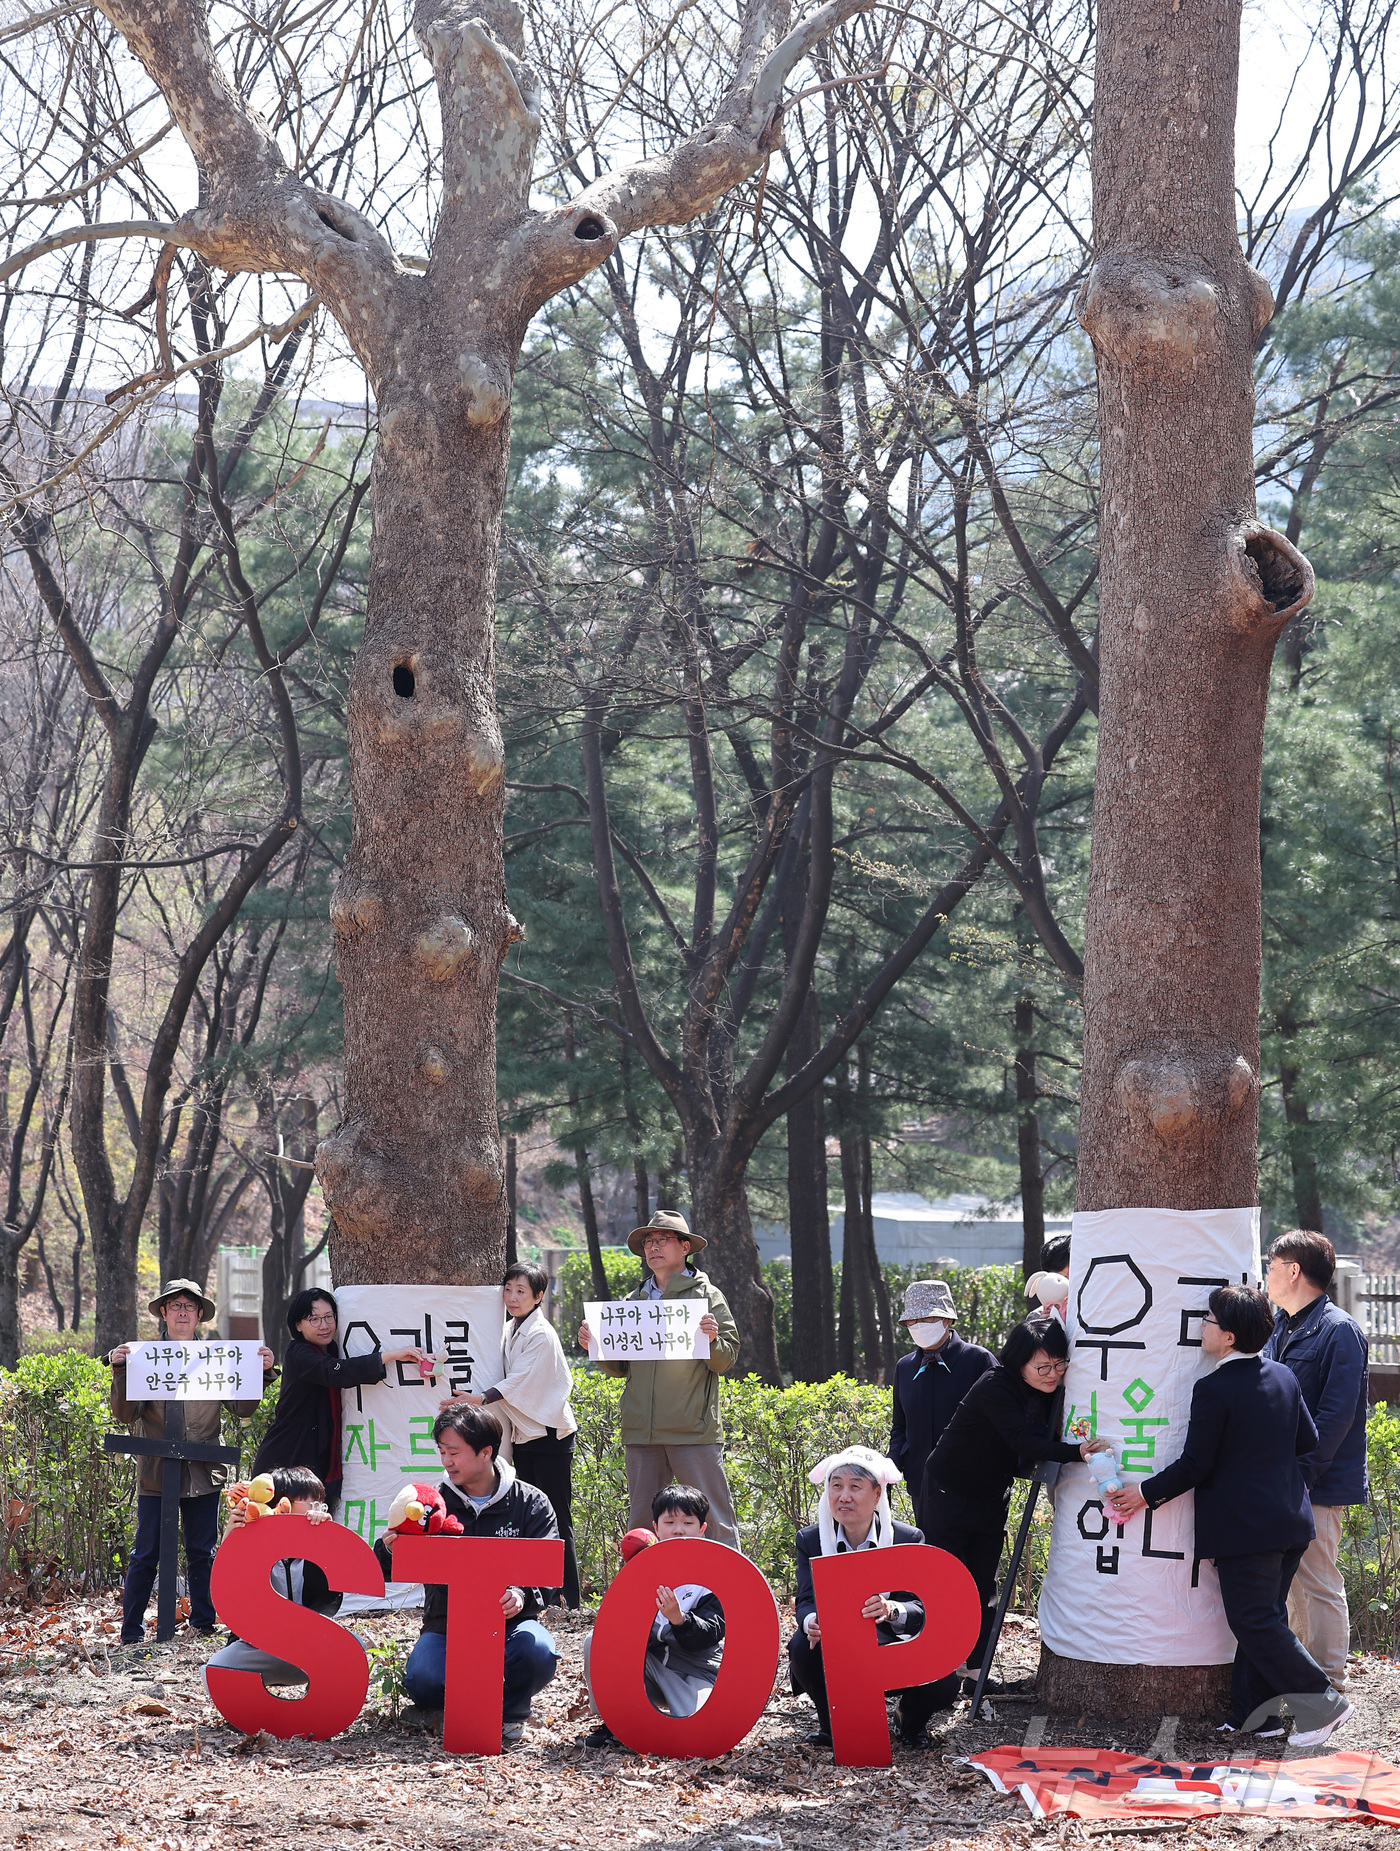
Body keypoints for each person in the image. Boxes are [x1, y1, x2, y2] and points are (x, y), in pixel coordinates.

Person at [1109, 1284, 1352, 1748]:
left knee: (1254, 1620)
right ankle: (1257, 1717)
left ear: (1228, 1337)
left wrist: (1143, 1492)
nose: (1202, 1328)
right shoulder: (1282, 1376)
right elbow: (1308, 1438)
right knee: (1263, 1618)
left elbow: (1196, 1465)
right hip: (1289, 1519)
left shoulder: (1214, 1387)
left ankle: (1323, 1705)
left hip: (1248, 1527)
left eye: (1209, 1322)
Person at [919, 1313, 1108, 1691]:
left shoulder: (1046, 1390)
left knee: (983, 1584)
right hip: (948, 1493)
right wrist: (1077, 1452)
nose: (1052, 1374)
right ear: (1018, 1362)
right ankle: (932, 1673)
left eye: (1059, 1364)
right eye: (1042, 1366)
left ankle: (975, 1674)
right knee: (944, 1582)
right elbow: (1023, 1441)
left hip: (991, 1495)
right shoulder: (996, 1386)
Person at [378, 1404, 560, 1744]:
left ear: (486, 1452)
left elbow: (549, 1569)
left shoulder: (531, 1503)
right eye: (442, 1452)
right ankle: (449, 1710)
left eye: (454, 1452)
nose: (446, 1461)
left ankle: (510, 1712)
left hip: (511, 1624)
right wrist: (391, 1548)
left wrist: (521, 1594)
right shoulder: (431, 1505)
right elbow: (387, 1567)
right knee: (422, 1678)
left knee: (538, 1651)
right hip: (446, 1624)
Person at [109, 1278, 275, 1650]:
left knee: (203, 1550)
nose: (182, 1312)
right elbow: (125, 1415)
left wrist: (261, 1372)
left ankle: (203, 1622)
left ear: (199, 1315)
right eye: (175, 1306)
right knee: (145, 1553)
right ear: (164, 1314)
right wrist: (119, 1371)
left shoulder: (219, 1358)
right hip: (156, 1473)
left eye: (189, 1306)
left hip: (204, 1471)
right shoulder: (144, 1358)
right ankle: (131, 1631)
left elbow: (242, 1408)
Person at [576, 1209, 742, 1548]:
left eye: (662, 1240)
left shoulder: (706, 1296)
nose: (653, 1247)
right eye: (648, 1242)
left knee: (714, 1521)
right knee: (641, 1528)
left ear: (685, 1247)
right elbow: (620, 1368)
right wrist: (597, 1347)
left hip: (693, 1431)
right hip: (642, 1432)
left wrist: (711, 1340)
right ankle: (640, 1599)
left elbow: (726, 1360)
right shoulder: (633, 1302)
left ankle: (729, 1596)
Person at [1263, 1229, 1368, 1694]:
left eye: (1271, 1266)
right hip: (1284, 1479)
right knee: (1289, 1586)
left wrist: (1303, 1476)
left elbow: (1336, 1416)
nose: (1266, 1275)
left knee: (1318, 1581)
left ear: (1293, 1270)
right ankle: (1300, 1679)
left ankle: (1329, 1682)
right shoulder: (1281, 1325)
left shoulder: (1338, 1330)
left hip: (1316, 1483)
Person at [789, 1447, 949, 1752]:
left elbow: (920, 1606)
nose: (844, 1496)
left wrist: (891, 1609)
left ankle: (910, 1722)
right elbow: (806, 1598)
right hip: (839, 1646)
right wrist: (811, 1622)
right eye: (836, 1486)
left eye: (855, 1487)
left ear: (877, 1495)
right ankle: (832, 1725)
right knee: (802, 1646)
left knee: (945, 1681)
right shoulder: (810, 1539)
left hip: (892, 1644)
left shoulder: (907, 1539)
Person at [442, 1260, 579, 1607]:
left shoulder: (540, 1334)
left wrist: (480, 1398)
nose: (513, 1297)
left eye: (521, 1291)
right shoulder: (509, 1329)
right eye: (508, 1290)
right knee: (532, 1514)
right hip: (524, 1435)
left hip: (549, 1435)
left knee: (556, 1516)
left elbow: (520, 1380)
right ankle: (541, 1593)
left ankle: (568, 1596)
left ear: (538, 1297)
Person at [252, 1286, 427, 1506]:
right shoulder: (298, 1352)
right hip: (286, 1458)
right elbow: (337, 1371)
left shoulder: (332, 1349)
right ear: (298, 1325)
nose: (324, 1325)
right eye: (313, 1319)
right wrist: (390, 1356)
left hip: (315, 1459)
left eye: (328, 1317)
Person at [582, 1484, 726, 1750]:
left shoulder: (713, 1577)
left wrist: (679, 1620)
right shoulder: (642, 1571)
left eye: (688, 1522)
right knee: (596, 1641)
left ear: (702, 1529)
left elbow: (710, 1633)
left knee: (700, 1736)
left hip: (696, 1671)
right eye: (669, 1522)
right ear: (656, 1528)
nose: (678, 1529)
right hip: (652, 1667)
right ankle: (614, 1722)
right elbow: (618, 1629)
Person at [202, 1466, 341, 1693]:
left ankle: (322, 1708)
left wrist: (325, 1542)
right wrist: (230, 1543)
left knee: (354, 1648)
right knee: (215, 1672)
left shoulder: (315, 1552)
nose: (316, 1511)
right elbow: (215, 1599)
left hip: (308, 1646)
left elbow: (331, 1601)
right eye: (311, 1504)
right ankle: (249, 1711)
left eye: (320, 1506)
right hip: (258, 1648)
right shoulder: (252, 1548)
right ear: (280, 1506)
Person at [888, 1279, 995, 1526]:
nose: (918, 1326)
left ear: (947, 1319)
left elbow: (1001, 1424)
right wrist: (891, 1465)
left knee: (973, 1564)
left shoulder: (978, 1360)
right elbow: (900, 1427)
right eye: (912, 1321)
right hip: (922, 1487)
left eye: (927, 1319)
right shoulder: (904, 1367)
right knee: (932, 1561)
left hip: (974, 1490)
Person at [1026, 1232, 1071, 1318]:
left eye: (1072, 1277)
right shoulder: (1036, 1317)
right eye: (1062, 1278)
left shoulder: (1094, 1308)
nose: (1069, 1284)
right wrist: (1044, 1328)